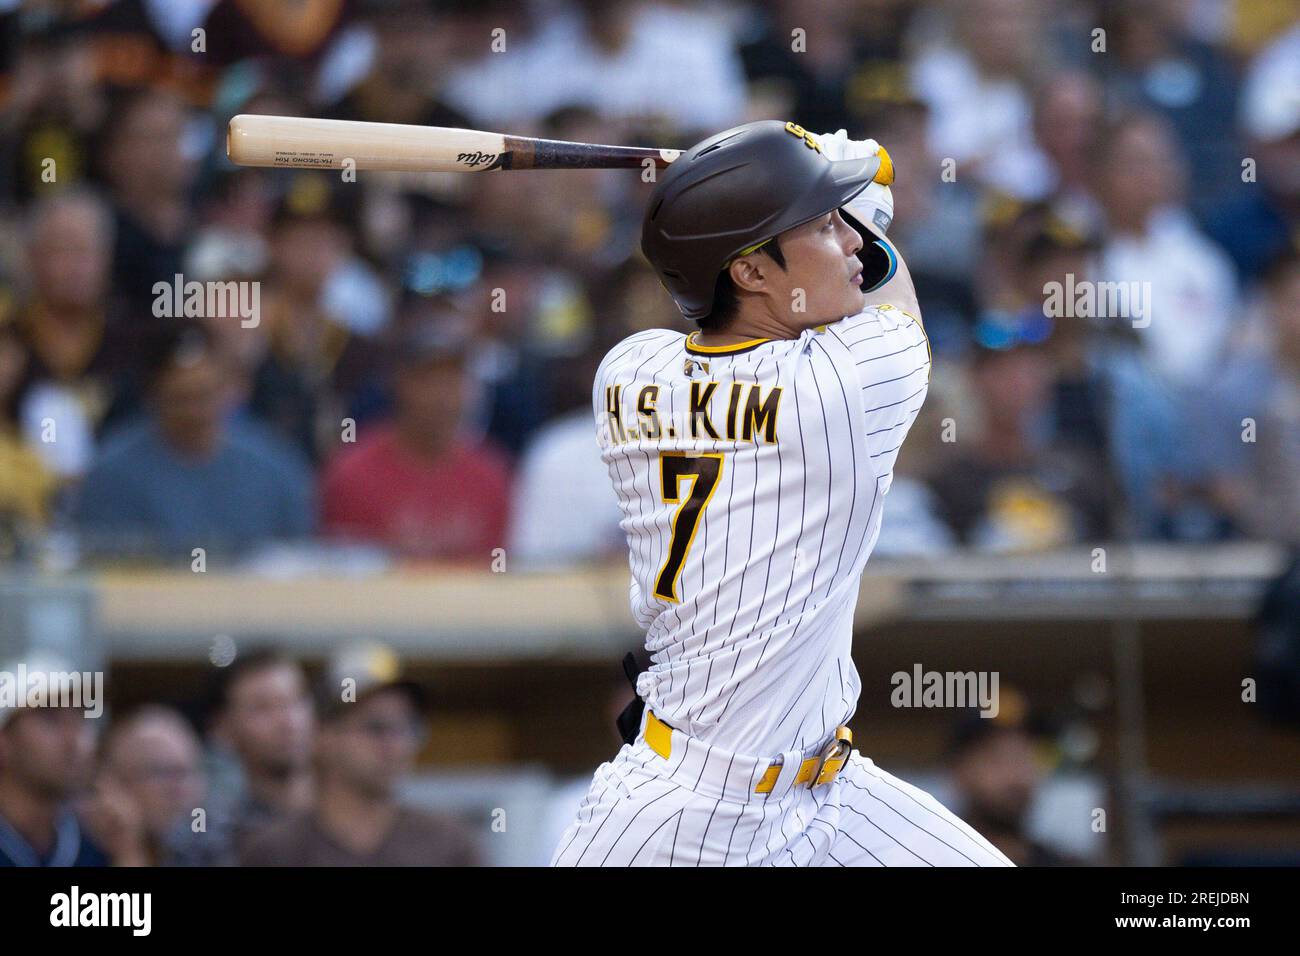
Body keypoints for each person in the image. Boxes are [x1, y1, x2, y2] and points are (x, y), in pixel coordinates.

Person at [552, 121, 1010, 867]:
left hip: (828, 793)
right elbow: (884, 265)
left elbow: (767, 301)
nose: (851, 244)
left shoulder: (628, 370)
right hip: (683, 816)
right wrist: (850, 164)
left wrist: (770, 185)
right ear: (751, 274)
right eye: (826, 228)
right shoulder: (848, 386)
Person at [72, 320, 315, 558]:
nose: (197, 413)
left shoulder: (277, 467)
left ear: (231, 388)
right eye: (182, 399)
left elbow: (301, 563)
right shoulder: (111, 476)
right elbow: (100, 567)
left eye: (207, 395)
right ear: (152, 397)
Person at [240, 645, 480, 866]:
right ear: (324, 735)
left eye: (407, 728)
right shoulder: (277, 853)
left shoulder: (448, 845)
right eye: (377, 727)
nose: (396, 745)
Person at [319, 315, 511, 563]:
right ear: (399, 382)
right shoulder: (352, 474)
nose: (442, 395)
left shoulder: (491, 475)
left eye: (453, 379)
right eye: (428, 379)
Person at [945, 701, 1086, 867]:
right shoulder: (925, 857)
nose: (1016, 775)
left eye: (1026, 757)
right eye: (998, 758)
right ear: (959, 772)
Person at [0, 655, 109, 867]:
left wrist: (129, 853)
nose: (74, 739)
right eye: (50, 718)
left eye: (81, 717)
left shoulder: (101, 842)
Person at [207, 650, 316, 857]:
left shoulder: (362, 816)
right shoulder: (213, 835)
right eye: (262, 708)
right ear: (224, 728)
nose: (288, 722)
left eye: (295, 701)